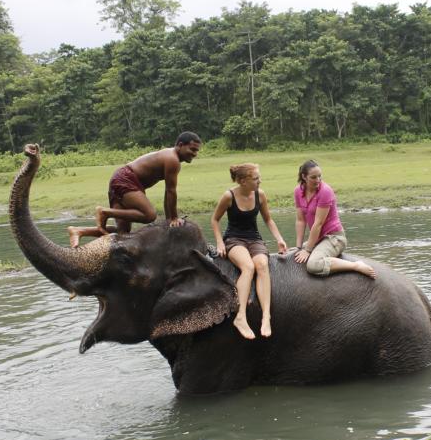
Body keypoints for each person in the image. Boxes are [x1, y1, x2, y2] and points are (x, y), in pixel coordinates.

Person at [68, 131, 202, 247]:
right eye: (192, 149)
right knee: (149, 215)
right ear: (180, 145)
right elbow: (171, 191)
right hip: (126, 179)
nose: (195, 154)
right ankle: (105, 212)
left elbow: (168, 194)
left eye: (197, 151)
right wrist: (174, 218)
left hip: (120, 179)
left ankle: (80, 231)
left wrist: (169, 220)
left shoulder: (170, 156)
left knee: (123, 234)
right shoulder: (173, 160)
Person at [211, 163, 288, 340]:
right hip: (234, 239)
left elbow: (268, 219)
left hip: (254, 239)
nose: (260, 181)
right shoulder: (229, 196)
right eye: (256, 178)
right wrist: (220, 243)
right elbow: (215, 220)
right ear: (243, 181)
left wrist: (279, 239)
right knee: (248, 267)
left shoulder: (260, 194)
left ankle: (266, 317)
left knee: (262, 265)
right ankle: (240, 317)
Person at [293, 159, 376, 279]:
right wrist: (299, 247)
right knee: (292, 253)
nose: (318, 180)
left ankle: (355, 265)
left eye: (320, 176)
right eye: (313, 177)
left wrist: (307, 250)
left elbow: (318, 224)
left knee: (313, 265)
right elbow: (300, 220)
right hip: (318, 238)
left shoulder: (325, 191)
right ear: (304, 177)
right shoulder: (298, 191)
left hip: (334, 238)